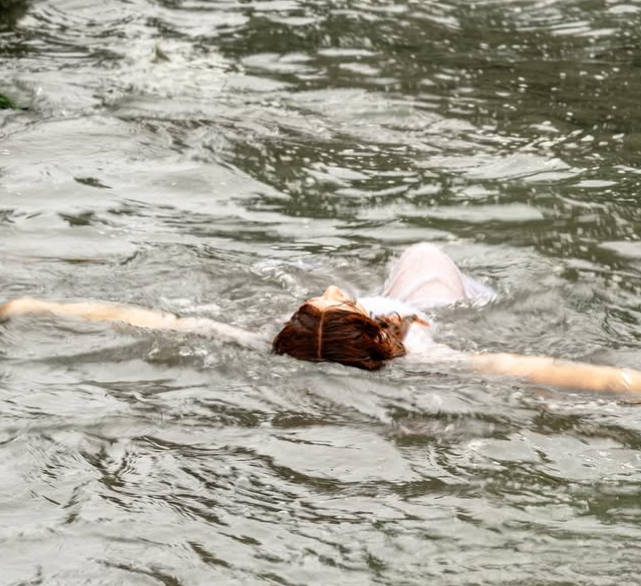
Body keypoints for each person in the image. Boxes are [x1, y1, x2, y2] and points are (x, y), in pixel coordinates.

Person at [2, 243, 641, 396]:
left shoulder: (269, 344)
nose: (331, 289)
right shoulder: (421, 355)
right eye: (337, 298)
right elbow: (533, 366)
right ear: (360, 319)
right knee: (424, 252)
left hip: (378, 323)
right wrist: (627, 383)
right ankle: (466, 280)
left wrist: (38, 307)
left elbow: (149, 320)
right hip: (437, 305)